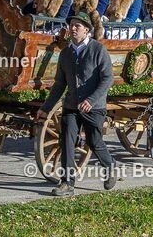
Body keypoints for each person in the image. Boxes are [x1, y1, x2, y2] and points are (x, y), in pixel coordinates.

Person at [35, 11, 117, 197]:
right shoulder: (65, 53)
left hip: (93, 107)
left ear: (87, 30)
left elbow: (107, 79)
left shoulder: (98, 50)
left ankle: (110, 165)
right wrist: (45, 108)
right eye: (71, 25)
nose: (72, 28)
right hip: (71, 106)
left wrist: (91, 100)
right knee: (67, 142)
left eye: (77, 26)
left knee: (94, 142)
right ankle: (67, 183)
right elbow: (59, 84)